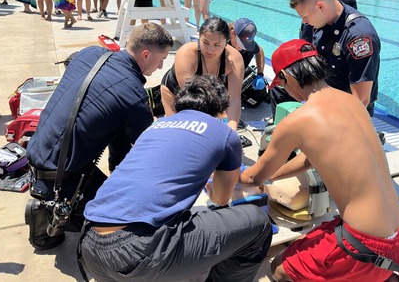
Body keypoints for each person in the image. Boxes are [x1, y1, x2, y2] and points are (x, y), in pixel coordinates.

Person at [241, 39, 399, 282]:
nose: (280, 87)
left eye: (279, 81)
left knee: (279, 269)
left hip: (365, 246)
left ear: (288, 77)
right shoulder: (353, 102)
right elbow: (309, 160)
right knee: (312, 242)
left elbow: (252, 178)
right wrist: (274, 175)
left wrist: (225, 173)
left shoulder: (299, 119)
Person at [79, 74, 273, 282]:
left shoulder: (155, 127)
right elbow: (220, 200)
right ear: (221, 111)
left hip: (90, 245)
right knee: (258, 224)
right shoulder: (224, 133)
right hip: (137, 253)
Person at [25, 23, 173, 250]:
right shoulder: (133, 95)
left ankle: (55, 201)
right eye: (161, 59)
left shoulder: (90, 53)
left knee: (117, 122)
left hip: (37, 151)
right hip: (60, 179)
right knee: (126, 225)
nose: (161, 66)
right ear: (145, 55)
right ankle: (48, 216)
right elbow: (149, 152)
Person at [270, 0, 380, 117]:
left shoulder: (359, 36)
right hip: (323, 93)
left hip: (347, 108)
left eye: (305, 16)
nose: (304, 21)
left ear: (320, 6)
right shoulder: (316, 22)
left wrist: (317, 115)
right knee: (280, 89)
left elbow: (361, 100)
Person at [161, 17, 244, 131]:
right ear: (199, 37)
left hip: (208, 95)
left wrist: (232, 130)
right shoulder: (187, 53)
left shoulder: (234, 59)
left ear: (226, 43)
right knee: (179, 131)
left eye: (217, 45)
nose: (210, 49)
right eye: (205, 42)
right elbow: (189, 98)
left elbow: (234, 99)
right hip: (177, 92)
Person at [228, 18, 266, 89]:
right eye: (241, 44)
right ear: (232, 33)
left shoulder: (247, 47)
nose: (243, 47)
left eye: (246, 44)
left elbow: (259, 51)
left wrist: (260, 75)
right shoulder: (221, 42)